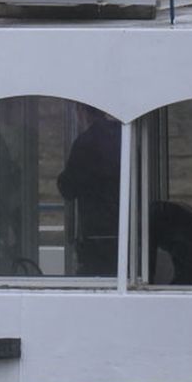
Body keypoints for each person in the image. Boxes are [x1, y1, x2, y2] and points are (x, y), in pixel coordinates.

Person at [57, 103, 121, 276]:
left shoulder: (86, 142)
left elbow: (68, 188)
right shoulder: (121, 136)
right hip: (124, 232)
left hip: (96, 234)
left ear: (81, 112)